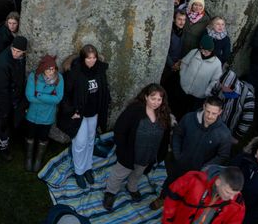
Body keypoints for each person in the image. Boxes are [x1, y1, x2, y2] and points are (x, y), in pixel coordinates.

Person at [154, 97, 232, 209]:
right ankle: (162, 198)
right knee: (170, 182)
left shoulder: (224, 133)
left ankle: (178, 207)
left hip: (199, 172)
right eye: (208, 111)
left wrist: (205, 168)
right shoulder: (189, 118)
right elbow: (177, 134)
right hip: (180, 164)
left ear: (220, 112)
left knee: (189, 192)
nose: (210, 116)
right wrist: (177, 154)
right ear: (204, 106)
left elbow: (223, 155)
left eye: (214, 113)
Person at [104, 84, 171, 211]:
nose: (156, 102)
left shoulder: (163, 114)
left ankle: (132, 187)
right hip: (129, 154)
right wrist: (123, 151)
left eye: (159, 99)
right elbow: (119, 130)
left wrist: (160, 155)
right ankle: (110, 192)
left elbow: (165, 137)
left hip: (147, 155)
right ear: (146, 97)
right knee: (119, 174)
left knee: (137, 173)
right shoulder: (134, 111)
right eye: (153, 98)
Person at [61, 44, 110, 188]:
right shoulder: (75, 72)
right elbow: (66, 95)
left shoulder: (99, 70)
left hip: (94, 112)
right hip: (80, 113)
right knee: (80, 142)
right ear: (83, 58)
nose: (92, 61)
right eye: (89, 58)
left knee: (90, 140)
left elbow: (104, 88)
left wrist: (105, 103)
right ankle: (79, 171)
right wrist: (71, 112)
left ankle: (87, 168)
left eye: (94, 58)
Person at [162, 166, 245, 224]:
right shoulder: (193, 180)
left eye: (235, 194)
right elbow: (171, 201)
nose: (231, 198)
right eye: (228, 192)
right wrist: (167, 222)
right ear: (218, 182)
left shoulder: (238, 205)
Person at [24, 55, 63, 174]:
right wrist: (49, 98)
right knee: (30, 136)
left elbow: (58, 98)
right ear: (43, 69)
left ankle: (38, 159)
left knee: (43, 138)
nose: (51, 72)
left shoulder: (59, 78)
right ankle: (29, 158)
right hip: (32, 115)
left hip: (47, 116)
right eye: (48, 69)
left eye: (53, 69)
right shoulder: (34, 76)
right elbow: (30, 96)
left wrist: (39, 95)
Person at [0, 35, 29, 161]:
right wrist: (5, 107)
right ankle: (2, 148)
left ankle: (10, 142)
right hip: (5, 99)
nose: (15, 53)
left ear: (24, 52)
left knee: (13, 122)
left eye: (18, 51)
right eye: (13, 49)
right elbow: (1, 89)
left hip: (16, 96)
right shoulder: (2, 63)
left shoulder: (21, 58)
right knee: (3, 124)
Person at [179, 36, 223, 111]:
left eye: (207, 51)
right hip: (184, 87)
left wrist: (207, 91)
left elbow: (216, 80)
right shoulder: (194, 52)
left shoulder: (217, 63)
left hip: (198, 95)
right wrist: (182, 76)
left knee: (190, 112)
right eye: (202, 50)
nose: (203, 53)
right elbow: (184, 63)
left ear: (211, 50)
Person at [211, 69, 255, 142]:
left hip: (229, 131)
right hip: (214, 125)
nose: (221, 88)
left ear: (232, 87)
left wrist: (236, 136)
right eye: (221, 84)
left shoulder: (247, 97)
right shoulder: (221, 85)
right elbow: (212, 95)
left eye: (224, 87)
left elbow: (247, 120)